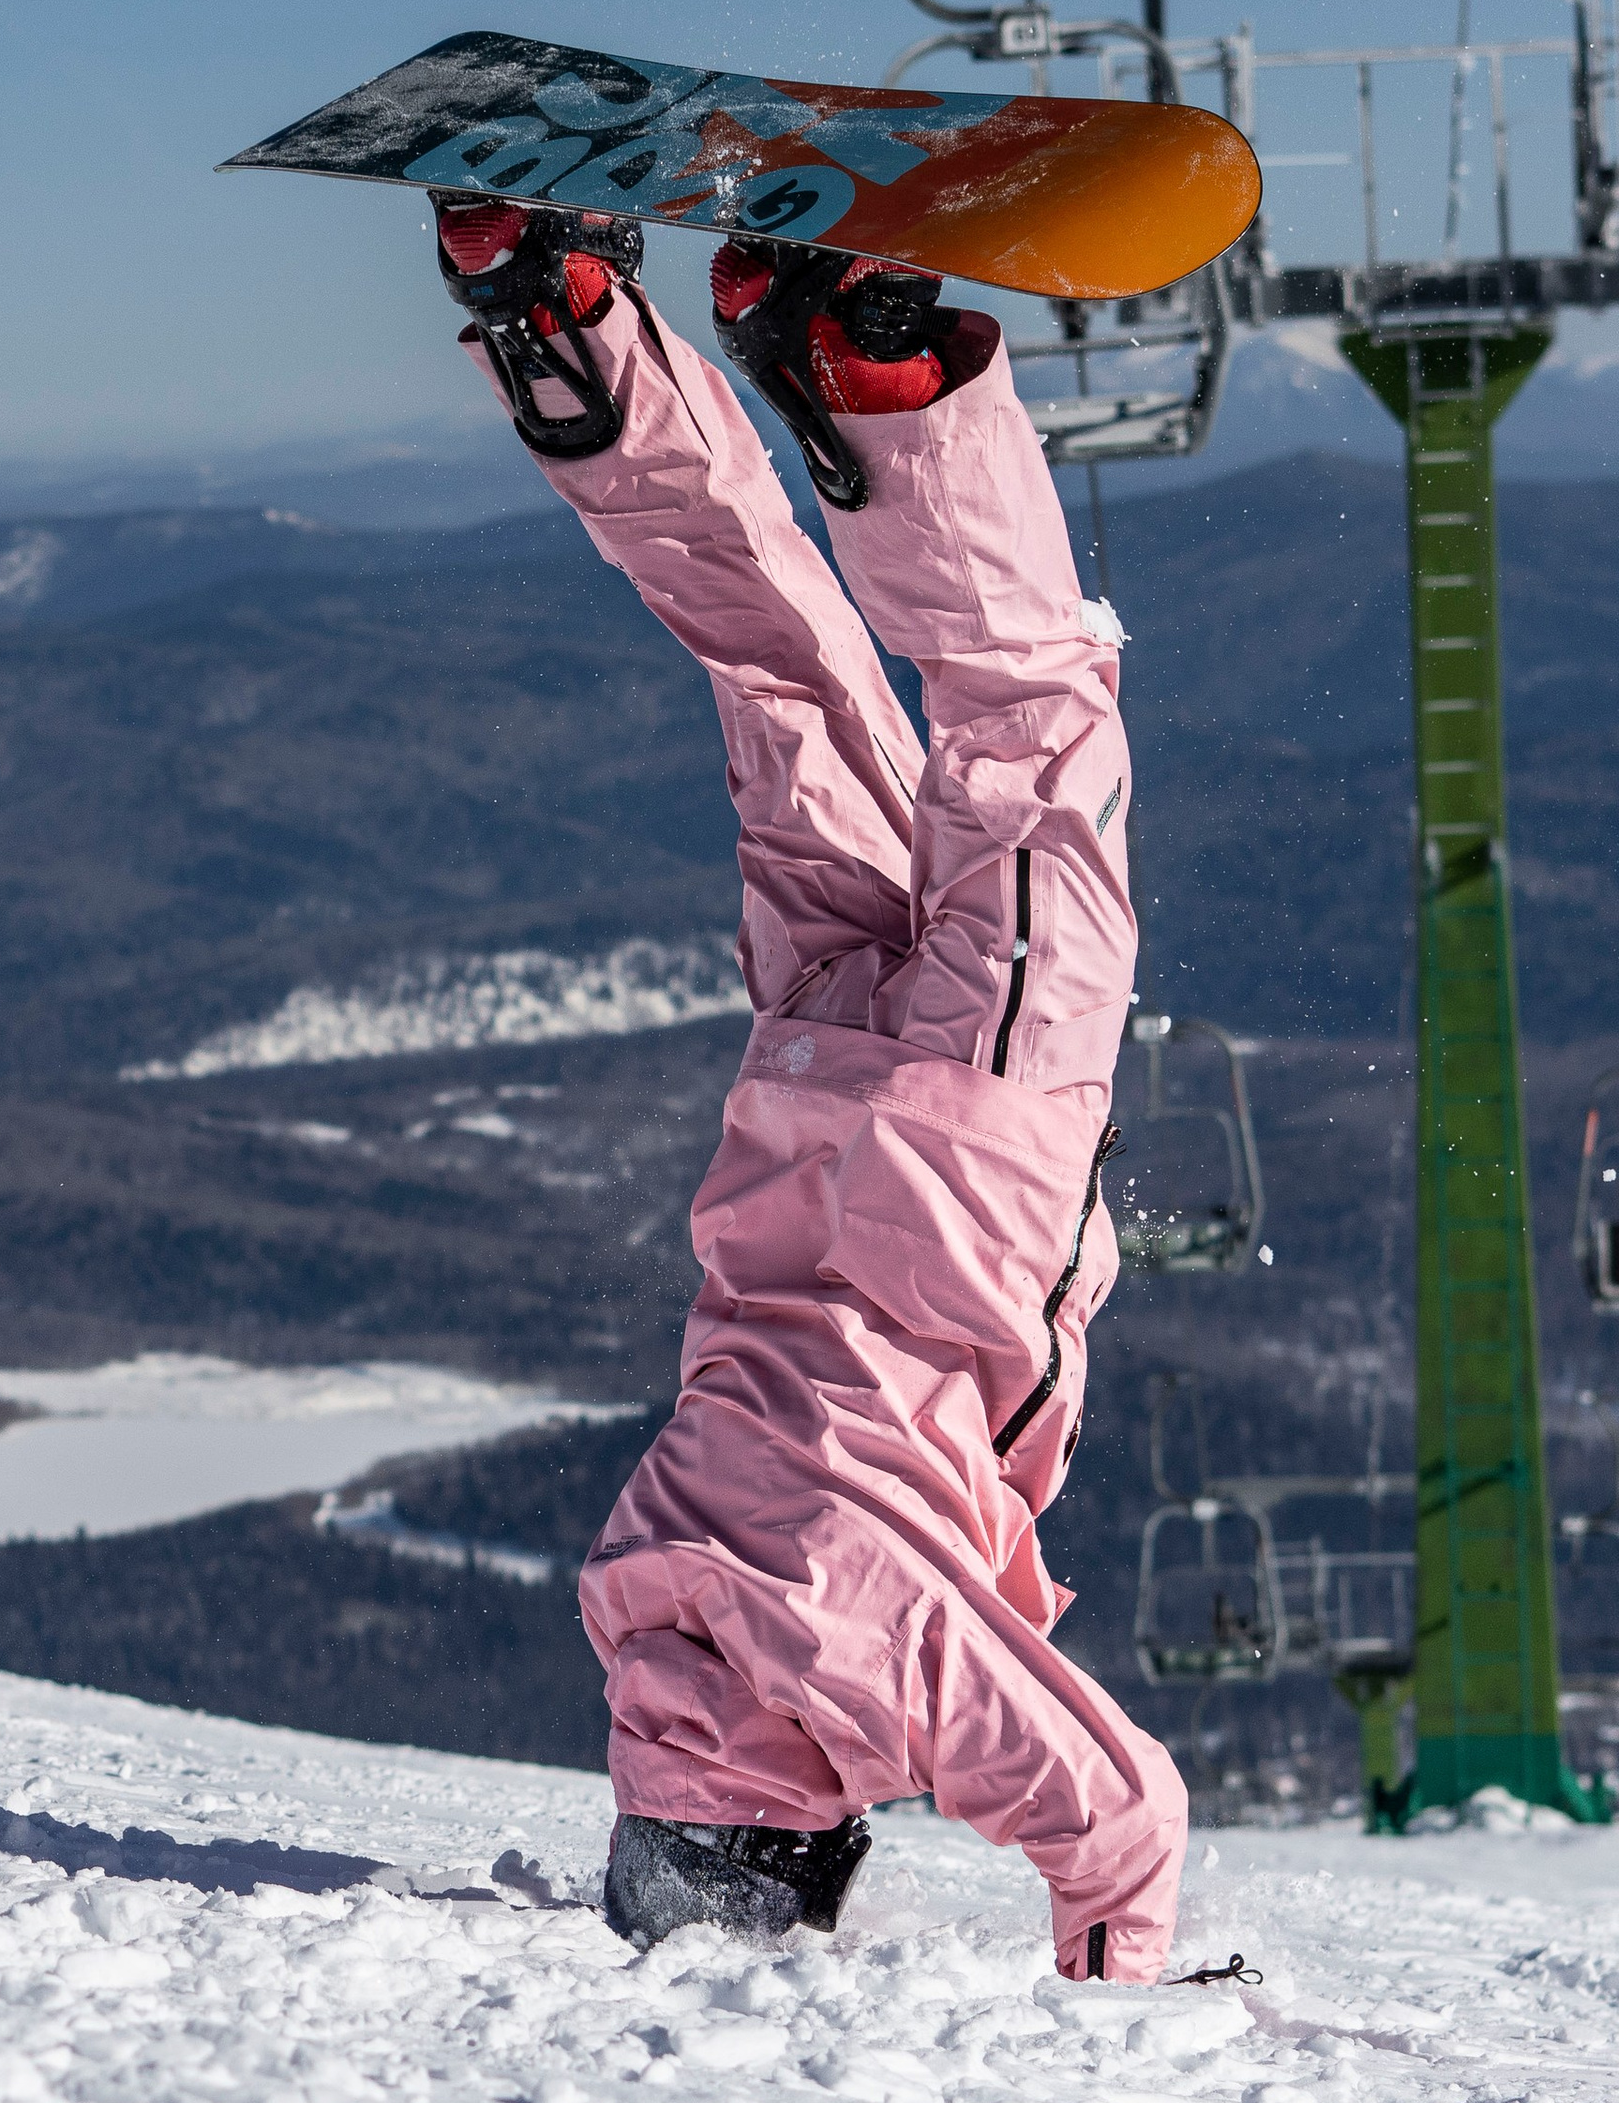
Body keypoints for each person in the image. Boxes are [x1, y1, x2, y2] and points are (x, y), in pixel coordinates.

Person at [431, 193, 1187, 1984]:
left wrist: (1131, 2001)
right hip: (801, 1105)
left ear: (800, 1840)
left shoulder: (861, 1641)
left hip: (963, 1165)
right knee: (787, 683)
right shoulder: (645, 1598)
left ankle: (879, 368)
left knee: (1032, 723)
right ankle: (569, 324)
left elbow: (1121, 1817)